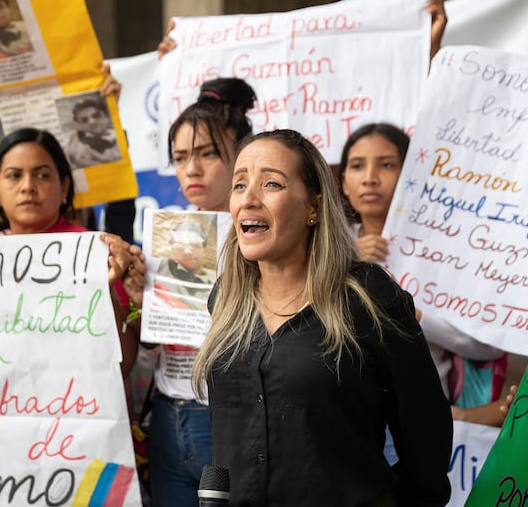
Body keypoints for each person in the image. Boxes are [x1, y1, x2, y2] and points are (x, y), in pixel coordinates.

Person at [192, 129, 452, 507]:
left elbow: (425, 436)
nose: (249, 198)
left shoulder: (367, 297)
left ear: (313, 208)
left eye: (271, 184)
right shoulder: (226, 300)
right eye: (239, 184)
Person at [121, 77, 257, 507]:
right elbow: (156, 339)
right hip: (167, 411)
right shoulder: (172, 235)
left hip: (223, 418)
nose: (191, 169)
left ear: (241, 154)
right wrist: (144, 304)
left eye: (206, 153)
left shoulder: (263, 236)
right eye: (180, 157)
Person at [339, 122, 513, 427]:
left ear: (411, 176)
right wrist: (345, 260)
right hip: (350, 416)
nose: (369, 178)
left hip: (424, 421)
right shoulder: (329, 251)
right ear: (343, 183)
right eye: (357, 166)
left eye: (387, 165)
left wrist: (413, 317)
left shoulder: (445, 250)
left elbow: (488, 344)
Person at [0, 127, 139, 377]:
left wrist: (105, 292)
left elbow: (123, 366)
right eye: (14, 175)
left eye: (43, 175)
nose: (28, 186)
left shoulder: (98, 252)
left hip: (81, 408)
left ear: (65, 187)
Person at [153, 218, 215, 310]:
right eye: (181, 245)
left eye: (195, 245)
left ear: (204, 250)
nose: (188, 251)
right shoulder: (158, 268)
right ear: (172, 249)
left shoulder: (215, 284)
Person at [64, 96, 122, 169]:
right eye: (84, 120)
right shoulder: (74, 142)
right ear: (79, 124)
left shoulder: (119, 136)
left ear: (106, 116)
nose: (92, 122)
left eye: (96, 115)